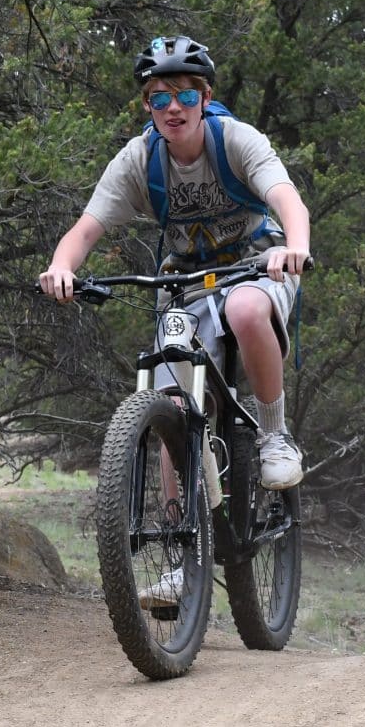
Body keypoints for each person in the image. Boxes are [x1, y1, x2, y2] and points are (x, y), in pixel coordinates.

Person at [40, 35, 312, 496]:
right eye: (160, 98)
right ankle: (179, 549)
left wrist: (296, 249)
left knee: (245, 310)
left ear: (205, 98)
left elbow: (288, 200)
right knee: (175, 402)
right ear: (147, 104)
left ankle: (274, 435)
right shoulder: (140, 159)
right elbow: (86, 229)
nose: (174, 108)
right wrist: (61, 267)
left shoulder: (235, 141)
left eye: (186, 95)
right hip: (187, 278)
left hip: (257, 262)